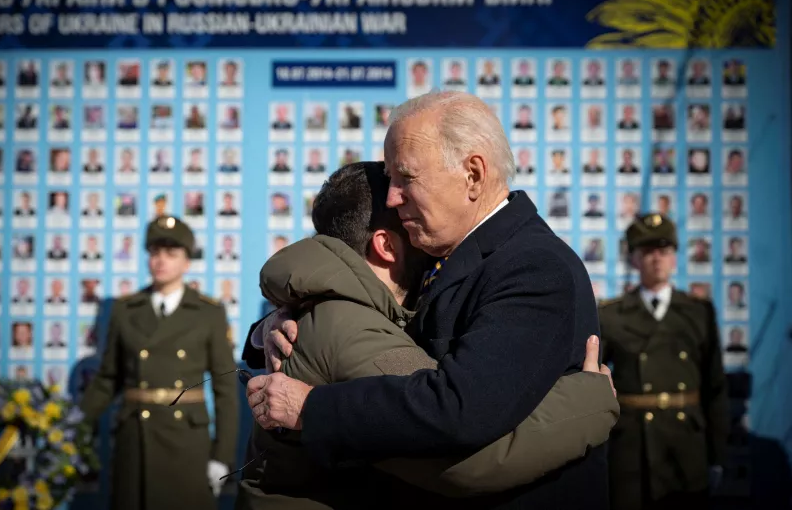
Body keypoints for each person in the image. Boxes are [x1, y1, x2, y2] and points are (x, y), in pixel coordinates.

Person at [246, 91, 612, 508]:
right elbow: (373, 314)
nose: (391, 197)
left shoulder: (533, 268)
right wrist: (276, 325)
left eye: (406, 178)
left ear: (472, 174)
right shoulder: (446, 257)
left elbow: (459, 411)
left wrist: (311, 407)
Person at [78, 215, 238, 510]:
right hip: (134, 440)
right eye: (155, 252)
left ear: (187, 262)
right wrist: (71, 429)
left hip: (187, 445)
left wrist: (221, 457)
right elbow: (107, 380)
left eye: (171, 253)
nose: (161, 261)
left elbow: (226, 389)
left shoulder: (208, 313)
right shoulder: (125, 311)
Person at [598, 213, 728, 509]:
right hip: (632, 449)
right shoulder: (611, 315)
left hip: (686, 447)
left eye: (664, 251)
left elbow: (715, 388)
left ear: (674, 259)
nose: (656, 259)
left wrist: (717, 456)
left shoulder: (698, 312)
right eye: (647, 252)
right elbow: (593, 382)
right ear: (633, 259)